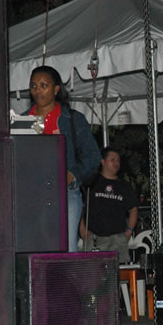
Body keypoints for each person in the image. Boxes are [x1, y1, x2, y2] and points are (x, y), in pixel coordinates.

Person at [25, 65, 101, 252]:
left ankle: (65, 282)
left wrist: (72, 175)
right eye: (34, 86)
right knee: (35, 251)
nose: (38, 91)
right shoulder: (22, 121)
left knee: (65, 249)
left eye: (44, 85)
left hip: (65, 194)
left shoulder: (72, 119)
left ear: (56, 89)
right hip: (32, 196)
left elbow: (93, 157)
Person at [79, 147, 139, 263]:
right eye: (113, 160)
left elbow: (133, 209)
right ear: (103, 161)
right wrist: (83, 231)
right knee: (93, 274)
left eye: (118, 161)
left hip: (118, 238)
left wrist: (129, 231)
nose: (116, 163)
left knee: (119, 275)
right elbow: (80, 207)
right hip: (95, 238)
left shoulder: (124, 186)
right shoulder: (91, 183)